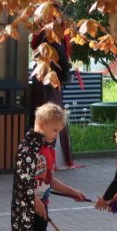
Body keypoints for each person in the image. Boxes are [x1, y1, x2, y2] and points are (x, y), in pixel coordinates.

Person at [0, 102, 88, 231]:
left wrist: (72, 192)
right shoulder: (28, 148)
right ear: (41, 124)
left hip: (42, 206)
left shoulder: (48, 148)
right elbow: (23, 181)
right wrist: (34, 201)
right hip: (24, 206)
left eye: (59, 131)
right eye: (54, 130)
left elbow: (50, 179)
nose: (56, 135)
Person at [29, 25, 76, 170]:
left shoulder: (41, 33)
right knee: (52, 115)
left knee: (41, 115)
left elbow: (34, 47)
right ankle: (50, 159)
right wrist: (65, 75)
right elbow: (63, 55)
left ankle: (39, 156)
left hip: (40, 76)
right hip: (51, 78)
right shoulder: (56, 34)